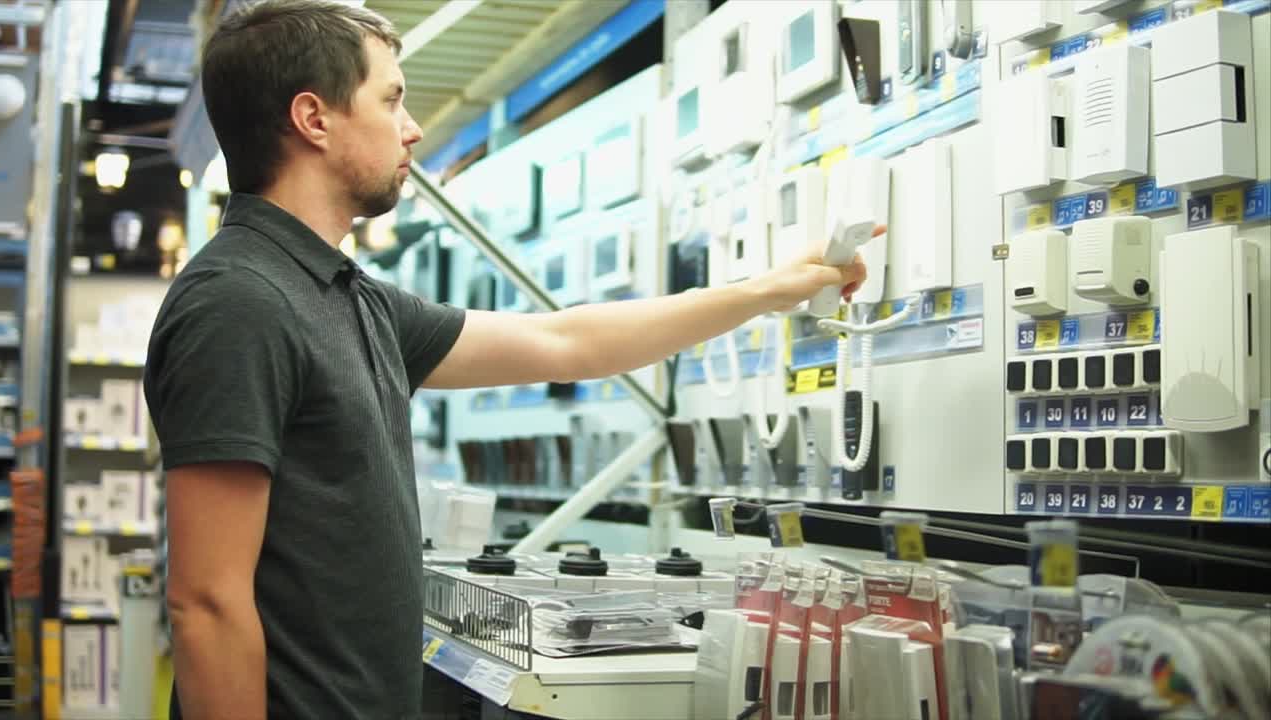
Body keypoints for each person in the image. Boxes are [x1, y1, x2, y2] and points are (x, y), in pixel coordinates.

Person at [145, 1, 872, 718]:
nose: (413, 127)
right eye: (391, 99)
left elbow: (567, 343)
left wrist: (768, 291)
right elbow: (206, 603)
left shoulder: (349, 298)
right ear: (313, 119)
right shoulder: (239, 303)